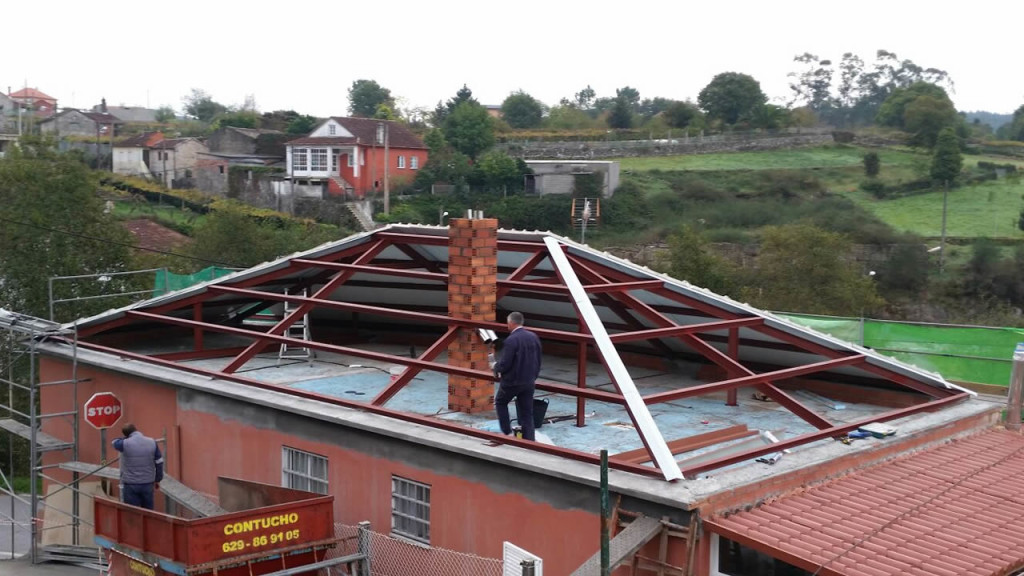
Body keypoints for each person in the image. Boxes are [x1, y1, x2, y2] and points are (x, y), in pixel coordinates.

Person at [492, 311, 542, 441]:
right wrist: (533, 376)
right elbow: (538, 359)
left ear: (511, 323)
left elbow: (506, 363)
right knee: (526, 411)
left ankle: (507, 432)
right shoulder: (533, 337)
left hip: (512, 381)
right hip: (529, 381)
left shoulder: (511, 340)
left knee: (500, 402)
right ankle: (529, 439)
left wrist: (496, 367)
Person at [111, 423, 164, 510]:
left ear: (126, 434)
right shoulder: (152, 442)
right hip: (147, 483)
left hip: (130, 485)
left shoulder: (124, 443)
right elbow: (159, 462)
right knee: (148, 513)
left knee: (132, 513)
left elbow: (114, 442)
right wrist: (157, 479)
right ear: (136, 430)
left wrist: (125, 438)